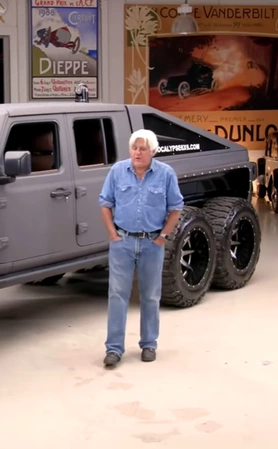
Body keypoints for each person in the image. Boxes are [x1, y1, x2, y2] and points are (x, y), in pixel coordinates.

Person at [98, 129, 183, 368]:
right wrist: (113, 235)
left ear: (152, 152)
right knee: (117, 296)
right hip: (122, 243)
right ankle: (114, 349)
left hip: (151, 243)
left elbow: (176, 207)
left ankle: (149, 345)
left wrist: (163, 236)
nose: (137, 152)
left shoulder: (166, 174)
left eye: (143, 148)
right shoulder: (117, 171)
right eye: (134, 148)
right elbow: (105, 203)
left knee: (150, 295)